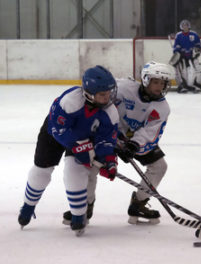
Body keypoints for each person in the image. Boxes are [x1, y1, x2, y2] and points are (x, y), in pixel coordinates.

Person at [62, 61, 175, 225]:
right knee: (92, 167)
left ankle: (138, 205)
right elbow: (100, 101)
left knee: (159, 166)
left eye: (163, 83)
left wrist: (134, 145)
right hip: (106, 134)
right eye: (155, 82)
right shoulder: (123, 88)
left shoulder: (163, 108)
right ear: (145, 80)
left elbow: (151, 132)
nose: (159, 87)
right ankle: (85, 207)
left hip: (132, 140)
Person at [18, 65, 119, 236]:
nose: (107, 98)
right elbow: (58, 130)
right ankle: (28, 205)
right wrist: (79, 148)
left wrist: (108, 160)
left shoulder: (110, 112)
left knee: (75, 171)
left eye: (109, 93)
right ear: (88, 93)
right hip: (53, 134)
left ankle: (79, 216)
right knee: (42, 171)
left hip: (85, 137)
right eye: (102, 95)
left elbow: (106, 139)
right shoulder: (70, 101)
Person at [170, 19, 201, 93]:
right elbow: (176, 46)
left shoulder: (194, 34)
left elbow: (198, 45)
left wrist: (197, 51)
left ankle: (197, 84)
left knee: (198, 69)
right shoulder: (178, 35)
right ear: (181, 27)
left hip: (193, 56)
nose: (185, 27)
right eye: (183, 26)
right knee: (180, 70)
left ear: (189, 26)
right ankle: (182, 85)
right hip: (182, 56)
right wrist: (178, 53)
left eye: (186, 25)